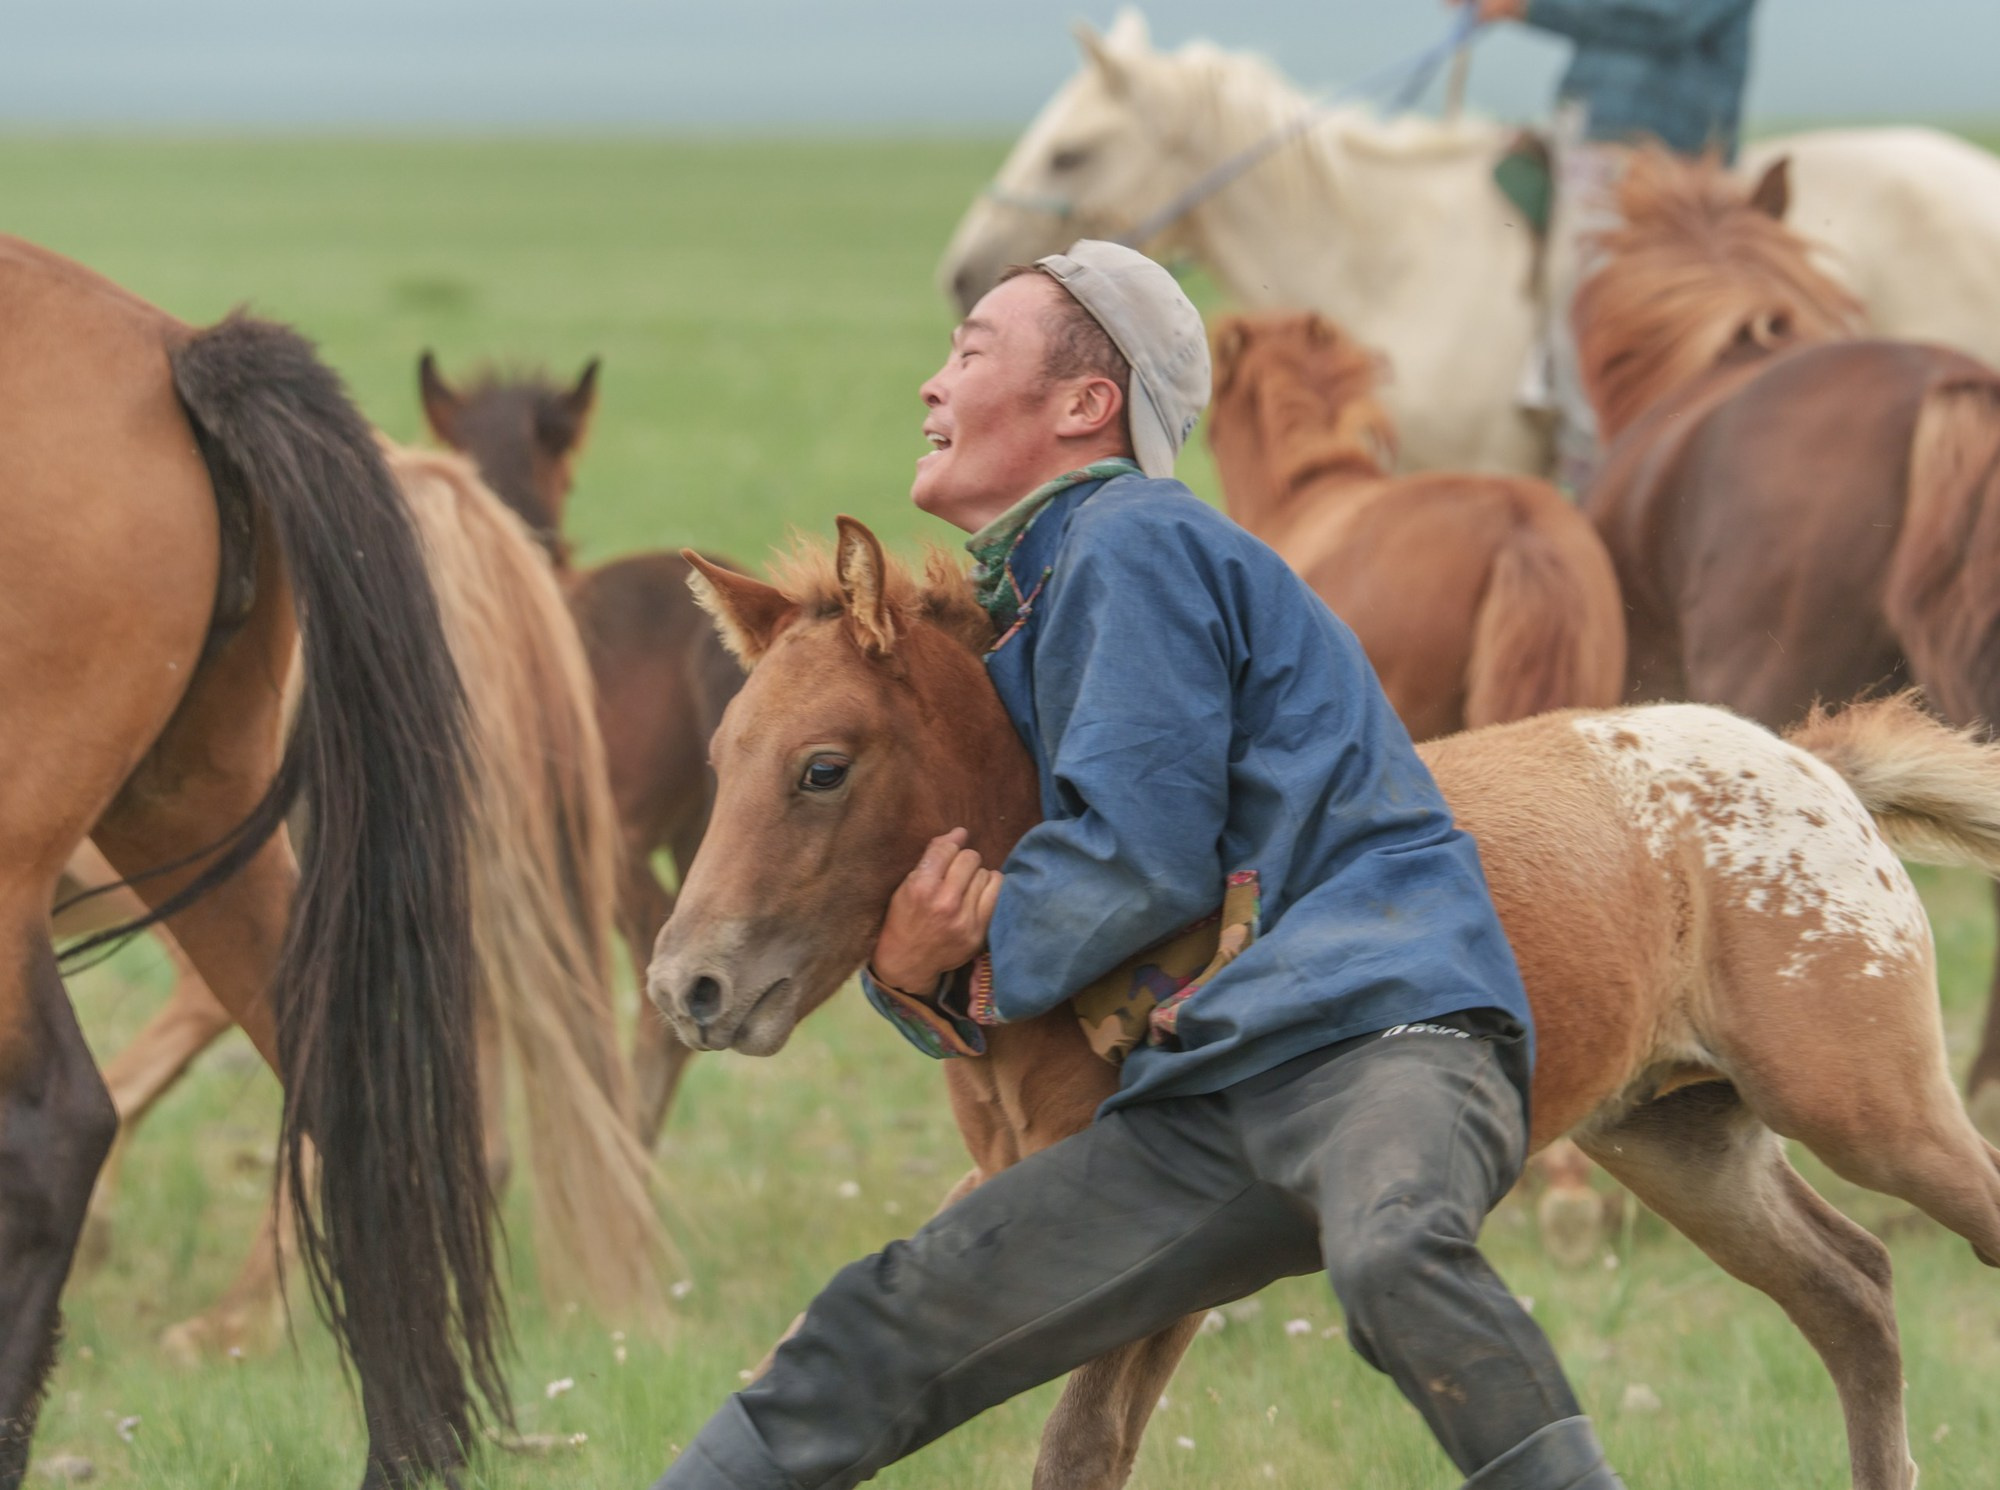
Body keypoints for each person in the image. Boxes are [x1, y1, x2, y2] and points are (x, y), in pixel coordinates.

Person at [652, 240, 1621, 1490]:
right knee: (883, 1320)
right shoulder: (1034, 610)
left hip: (1384, 1030)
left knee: (1394, 1257)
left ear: (1082, 405)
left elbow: (1137, 850)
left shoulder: (1130, 539)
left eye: (969, 352)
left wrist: (947, 964)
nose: (930, 386)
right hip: (1211, 1091)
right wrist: (914, 968)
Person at [1469, 0, 1761, 490]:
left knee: (1588, 293)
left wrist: (1529, 7)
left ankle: (1599, 466)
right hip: (1592, 127)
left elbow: (1662, 16)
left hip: (1651, 147)